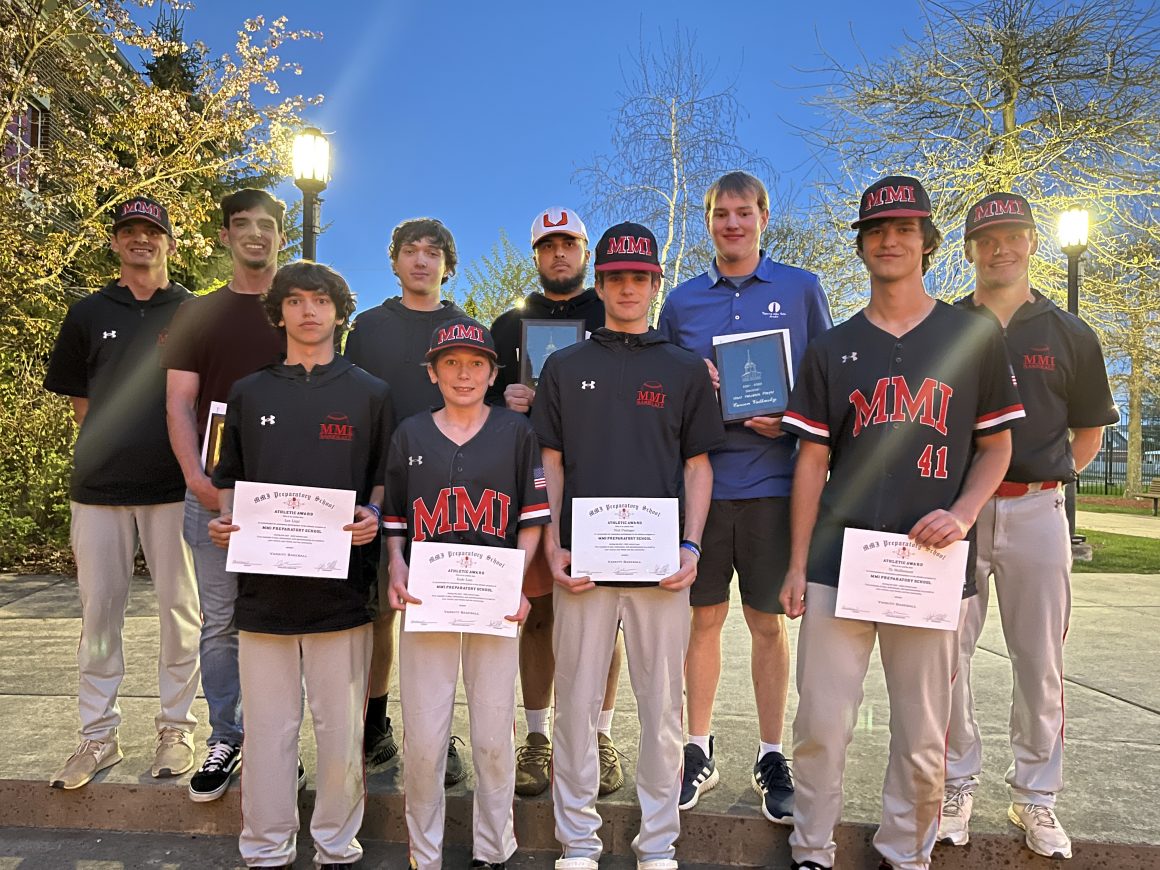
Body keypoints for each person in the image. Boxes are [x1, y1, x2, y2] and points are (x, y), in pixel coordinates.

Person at [778, 175, 1025, 870]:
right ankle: (812, 849)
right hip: (838, 559)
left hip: (927, 563)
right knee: (821, 724)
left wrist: (965, 510)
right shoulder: (833, 347)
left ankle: (905, 853)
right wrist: (797, 564)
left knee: (922, 734)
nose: (890, 240)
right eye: (877, 230)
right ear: (862, 246)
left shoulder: (970, 335)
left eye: (904, 229)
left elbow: (995, 445)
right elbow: (810, 461)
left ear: (926, 244)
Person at [531, 222, 725, 870]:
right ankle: (577, 841)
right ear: (601, 282)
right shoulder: (564, 366)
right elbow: (551, 462)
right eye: (615, 277)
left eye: (639, 277)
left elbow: (698, 466)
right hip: (583, 567)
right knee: (577, 706)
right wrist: (555, 545)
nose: (627, 288)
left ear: (654, 283)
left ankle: (658, 842)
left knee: (662, 710)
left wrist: (692, 547)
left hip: (661, 568)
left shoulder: (683, 370)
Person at [939, 193, 1118, 860]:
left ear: (1034, 242)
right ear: (969, 250)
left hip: (1038, 508)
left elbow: (1091, 430)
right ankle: (956, 783)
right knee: (945, 657)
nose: (1000, 248)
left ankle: (1035, 797)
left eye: (1013, 235)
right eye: (986, 239)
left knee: (1039, 661)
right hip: (957, 514)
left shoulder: (1070, 333)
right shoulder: (944, 327)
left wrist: (1044, 482)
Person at [658, 172, 831, 820]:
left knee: (765, 624)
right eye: (720, 215)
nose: (732, 224)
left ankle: (770, 752)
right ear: (708, 222)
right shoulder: (681, 304)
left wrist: (787, 415)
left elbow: (825, 385)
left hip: (772, 487)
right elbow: (664, 397)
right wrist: (693, 387)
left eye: (743, 213)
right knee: (702, 622)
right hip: (701, 488)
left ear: (764, 217)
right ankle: (696, 747)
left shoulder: (801, 289)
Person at [208, 261, 392, 869]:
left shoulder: (371, 392)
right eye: (295, 301)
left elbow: (384, 483)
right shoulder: (248, 391)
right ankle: (266, 845)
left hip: (343, 591)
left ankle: (337, 844)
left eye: (320, 300)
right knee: (268, 730)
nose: (308, 310)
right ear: (279, 311)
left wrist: (370, 514)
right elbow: (229, 481)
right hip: (264, 591)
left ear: (339, 312)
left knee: (340, 732)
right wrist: (225, 522)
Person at [44, 196, 200, 790]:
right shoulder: (87, 312)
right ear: (115, 242)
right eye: (130, 231)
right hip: (99, 489)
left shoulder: (192, 312)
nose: (141, 240)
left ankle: (175, 727)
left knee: (180, 613)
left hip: (173, 487)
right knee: (100, 615)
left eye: (152, 231)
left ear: (170, 242)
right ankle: (97, 737)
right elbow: (84, 402)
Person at [384, 316, 549, 870]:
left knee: (493, 737)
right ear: (432, 372)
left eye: (476, 363)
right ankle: (423, 855)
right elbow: (395, 520)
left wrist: (522, 583)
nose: (464, 373)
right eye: (451, 362)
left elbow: (531, 520)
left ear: (493, 372)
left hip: (494, 596)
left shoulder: (516, 432)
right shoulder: (410, 433)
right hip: (428, 598)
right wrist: (395, 568)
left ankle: (494, 849)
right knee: (425, 739)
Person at [488, 207, 624, 798]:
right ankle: (539, 736)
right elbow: (477, 406)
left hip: (603, 480)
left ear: (585, 252)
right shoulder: (508, 324)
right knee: (537, 611)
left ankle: (599, 732)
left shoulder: (611, 311)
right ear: (536, 254)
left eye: (569, 244)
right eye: (548, 246)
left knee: (605, 616)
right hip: (531, 481)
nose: (559, 254)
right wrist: (507, 403)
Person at [162, 188, 286, 801]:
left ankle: (277, 745)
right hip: (213, 492)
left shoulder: (297, 310)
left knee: (280, 621)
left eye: (267, 225)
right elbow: (180, 400)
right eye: (243, 225)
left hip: (286, 500)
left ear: (281, 237)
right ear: (224, 236)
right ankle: (227, 737)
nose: (256, 234)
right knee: (221, 624)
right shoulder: (198, 314)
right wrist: (195, 477)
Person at [344, 217, 469, 779]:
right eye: (410, 250)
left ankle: (435, 732)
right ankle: (374, 724)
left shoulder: (468, 328)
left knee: (434, 618)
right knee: (377, 615)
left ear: (447, 264)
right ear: (394, 261)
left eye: (433, 251)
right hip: (376, 489)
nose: (421, 260)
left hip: (447, 492)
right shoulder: (367, 329)